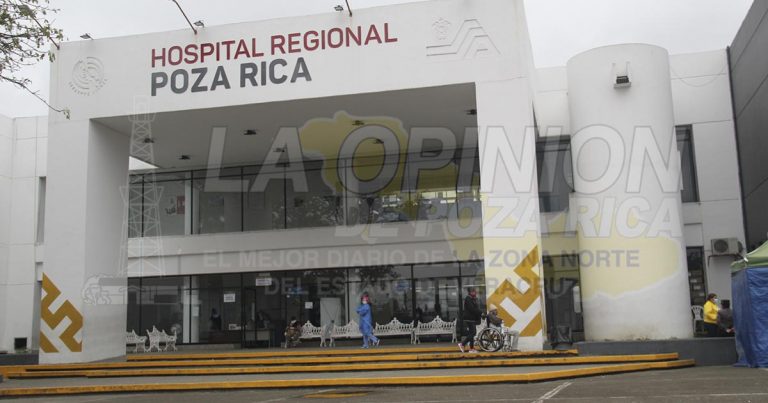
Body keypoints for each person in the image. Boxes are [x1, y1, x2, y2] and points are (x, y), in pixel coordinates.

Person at [459, 288, 482, 353]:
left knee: (471, 333)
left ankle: (471, 348)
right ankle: (462, 344)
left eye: (475, 292)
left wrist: (480, 313)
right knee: (473, 332)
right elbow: (472, 309)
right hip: (469, 318)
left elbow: (476, 308)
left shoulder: (472, 299)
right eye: (474, 292)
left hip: (472, 319)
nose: (475, 293)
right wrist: (480, 313)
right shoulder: (468, 298)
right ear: (470, 292)